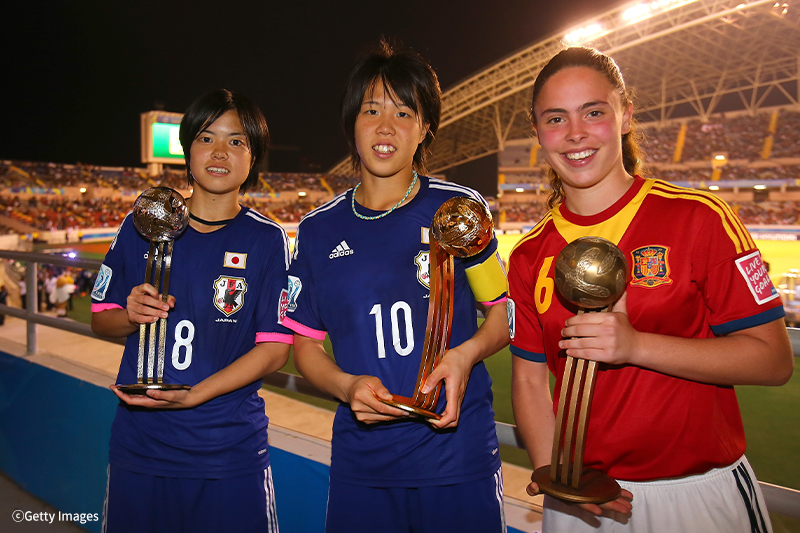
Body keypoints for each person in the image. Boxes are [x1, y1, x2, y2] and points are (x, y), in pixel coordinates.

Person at [508, 47, 794, 532]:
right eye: (556, 118)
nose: (575, 133)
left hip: (697, 493)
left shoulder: (699, 218)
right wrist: (557, 474)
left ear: (624, 116)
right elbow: (531, 380)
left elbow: (773, 360)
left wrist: (636, 345)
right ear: (537, 132)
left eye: (593, 112)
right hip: (581, 499)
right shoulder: (529, 253)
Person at [281, 42, 510, 533]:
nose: (386, 126)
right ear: (352, 123)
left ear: (425, 127)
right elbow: (305, 345)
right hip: (361, 469)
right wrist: (346, 386)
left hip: (457, 461)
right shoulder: (319, 229)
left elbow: (502, 314)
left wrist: (465, 355)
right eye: (371, 110)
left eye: (404, 112)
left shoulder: (460, 210)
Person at [91, 89, 291, 533]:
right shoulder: (143, 223)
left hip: (228, 450)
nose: (220, 152)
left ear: (254, 156)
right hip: (141, 445)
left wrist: (198, 393)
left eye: (237, 141)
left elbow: (275, 349)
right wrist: (130, 313)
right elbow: (101, 316)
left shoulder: (267, 239)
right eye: (206, 137)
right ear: (187, 149)